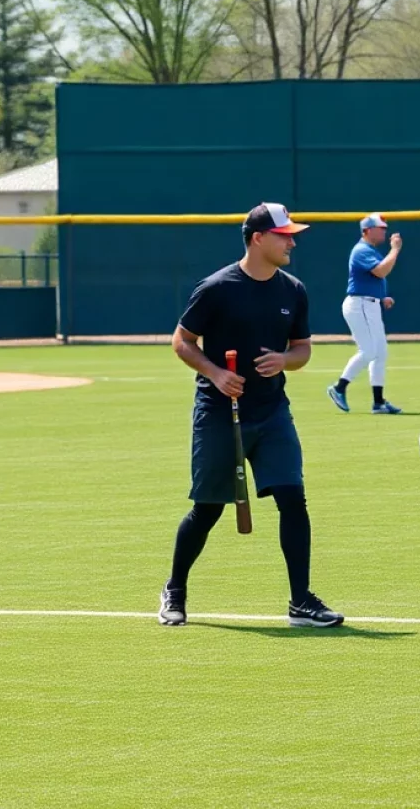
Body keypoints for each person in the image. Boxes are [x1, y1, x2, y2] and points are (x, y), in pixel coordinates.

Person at [159, 202, 342, 629]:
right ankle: (175, 589)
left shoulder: (293, 289)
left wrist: (284, 360)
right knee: (207, 509)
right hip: (219, 412)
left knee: (292, 499)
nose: (292, 242)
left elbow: (303, 349)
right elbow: (182, 341)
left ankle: (301, 602)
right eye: (284, 235)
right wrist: (216, 373)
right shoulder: (217, 288)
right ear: (259, 238)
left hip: (273, 411)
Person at [328, 214, 403, 415]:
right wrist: (395, 249)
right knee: (368, 351)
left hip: (369, 303)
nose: (384, 231)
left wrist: (382, 297)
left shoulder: (371, 250)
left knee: (380, 353)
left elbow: (375, 278)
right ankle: (339, 388)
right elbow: (380, 272)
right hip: (359, 304)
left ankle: (378, 402)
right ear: (367, 230)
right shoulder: (362, 250)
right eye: (381, 228)